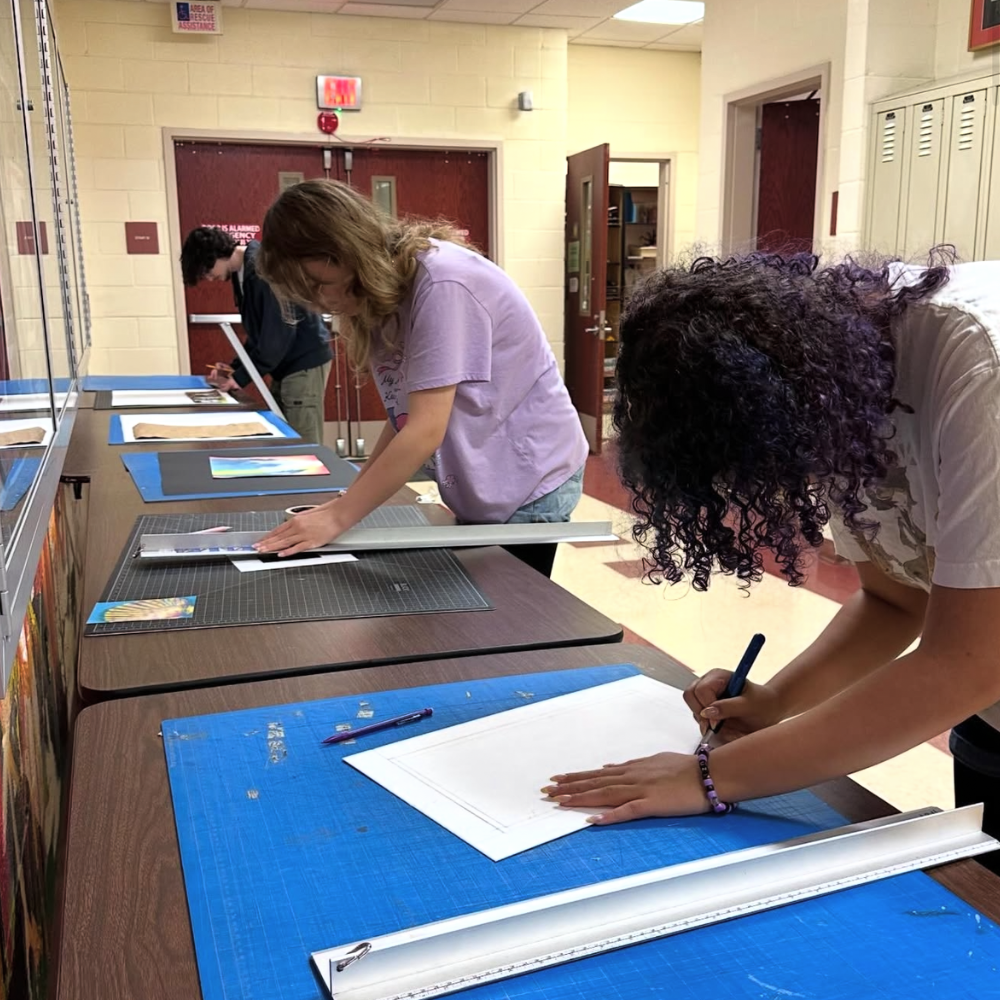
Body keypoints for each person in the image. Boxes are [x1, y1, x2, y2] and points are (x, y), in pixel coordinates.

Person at [544, 250, 1000, 871]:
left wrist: (710, 777)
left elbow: (968, 664)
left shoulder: (979, 372)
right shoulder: (840, 386)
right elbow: (897, 600)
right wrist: (777, 702)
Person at [250, 179, 588, 577]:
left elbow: (425, 430)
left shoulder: (443, 283)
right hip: (485, 477)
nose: (324, 301)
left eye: (321, 285)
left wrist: (340, 516)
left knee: (507, 614)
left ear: (344, 249)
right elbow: (405, 418)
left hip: (528, 478)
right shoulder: (381, 297)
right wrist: (347, 500)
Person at [180, 226, 332, 443]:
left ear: (215, 255)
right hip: (284, 362)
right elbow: (258, 335)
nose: (209, 278)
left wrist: (239, 379)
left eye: (206, 271)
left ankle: (314, 478)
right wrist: (233, 369)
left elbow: (276, 337)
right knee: (284, 433)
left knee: (302, 440)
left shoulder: (263, 269)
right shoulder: (241, 274)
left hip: (303, 361)